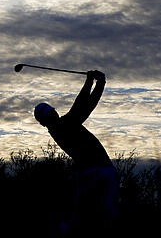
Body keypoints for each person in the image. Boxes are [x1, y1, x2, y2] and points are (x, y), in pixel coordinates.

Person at [34, 70, 119, 237]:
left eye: (52, 112)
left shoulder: (60, 126)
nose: (54, 114)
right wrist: (95, 82)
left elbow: (82, 107)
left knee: (89, 216)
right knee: (102, 217)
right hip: (98, 171)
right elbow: (83, 106)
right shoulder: (63, 125)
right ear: (47, 120)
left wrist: (92, 82)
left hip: (89, 173)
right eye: (51, 113)